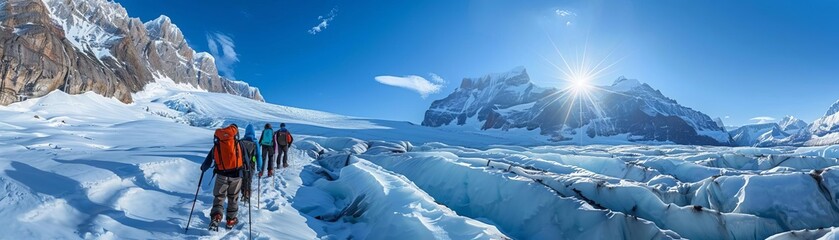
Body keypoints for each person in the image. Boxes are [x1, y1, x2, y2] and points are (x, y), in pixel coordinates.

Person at [200, 123, 252, 230]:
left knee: (219, 196)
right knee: (233, 197)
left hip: (221, 174)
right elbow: (246, 160)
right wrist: (247, 173)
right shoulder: (239, 144)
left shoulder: (219, 142)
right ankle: (231, 220)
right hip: (236, 175)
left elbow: (209, 159)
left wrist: (203, 168)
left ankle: (216, 217)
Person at [239, 124, 263, 202]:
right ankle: (247, 195)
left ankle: (243, 193)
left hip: (241, 163)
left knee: (242, 178)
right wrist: (259, 168)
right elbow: (259, 156)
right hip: (251, 164)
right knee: (249, 179)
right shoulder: (255, 142)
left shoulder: (241, 141)